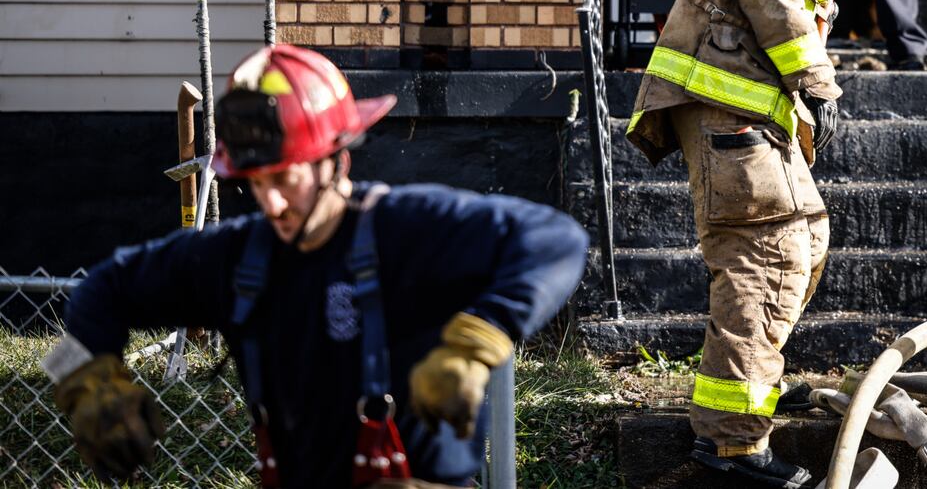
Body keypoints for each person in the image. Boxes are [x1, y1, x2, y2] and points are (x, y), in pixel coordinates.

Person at [45, 43, 589, 487]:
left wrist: (480, 340)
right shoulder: (237, 257)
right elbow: (101, 289)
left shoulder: (408, 228)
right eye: (256, 185)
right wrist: (84, 378)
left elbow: (556, 239)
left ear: (338, 161)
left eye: (285, 179)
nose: (271, 205)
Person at [626, 0, 914, 488]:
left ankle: (750, 387)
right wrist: (815, 76)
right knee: (766, 258)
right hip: (732, 114)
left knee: (803, 237)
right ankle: (732, 447)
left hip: (740, 114)